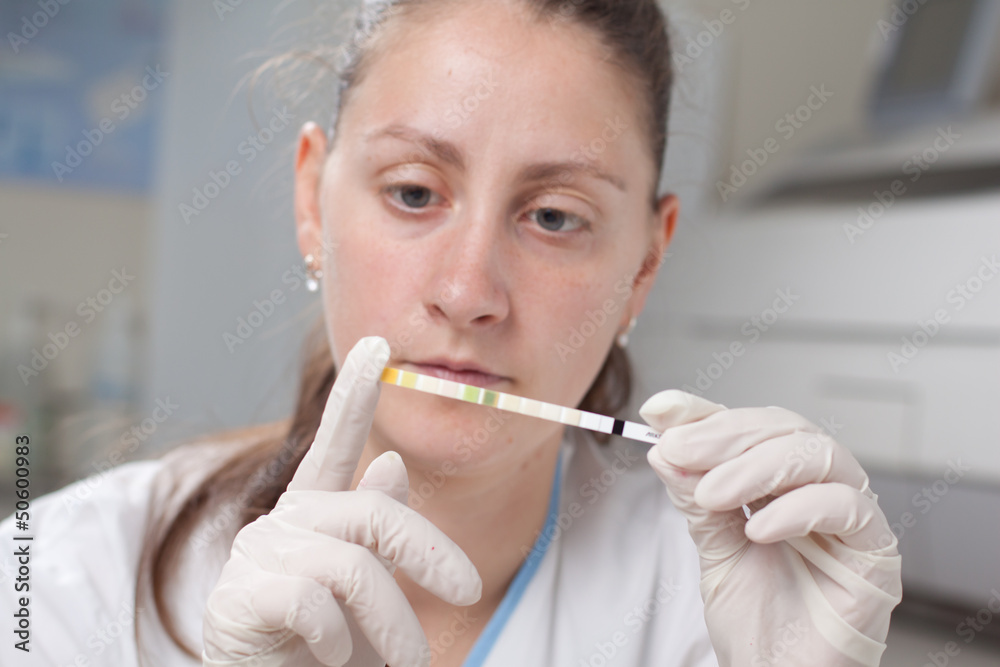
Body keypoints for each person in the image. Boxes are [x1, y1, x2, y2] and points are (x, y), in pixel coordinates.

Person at [0, 0, 903, 665]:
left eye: (553, 216)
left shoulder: (721, 612)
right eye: (414, 193)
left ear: (644, 264)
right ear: (313, 202)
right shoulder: (52, 578)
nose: (469, 291)